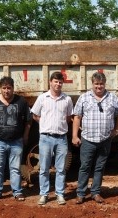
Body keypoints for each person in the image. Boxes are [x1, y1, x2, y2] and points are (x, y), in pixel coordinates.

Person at [72, 71, 118, 204]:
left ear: (105, 84)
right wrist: (74, 135)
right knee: (85, 166)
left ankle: (95, 192)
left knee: (99, 167)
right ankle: (81, 193)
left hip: (105, 139)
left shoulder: (113, 98)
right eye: (96, 84)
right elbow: (77, 116)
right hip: (88, 139)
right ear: (92, 84)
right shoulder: (84, 98)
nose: (99, 87)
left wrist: (117, 130)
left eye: (101, 84)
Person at [0, 76, 32, 201]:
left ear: (13, 88)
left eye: (9, 88)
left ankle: (17, 191)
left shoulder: (21, 102)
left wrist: (25, 135)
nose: (6, 91)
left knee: (15, 167)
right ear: (0, 88)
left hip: (16, 141)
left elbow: (28, 120)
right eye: (4, 88)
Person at [31, 71, 74, 206]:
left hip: (61, 138)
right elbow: (35, 115)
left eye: (60, 82)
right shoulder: (43, 98)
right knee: (44, 168)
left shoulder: (67, 99)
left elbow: (69, 117)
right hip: (45, 138)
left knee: (60, 168)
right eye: (55, 81)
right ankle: (44, 194)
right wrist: (45, 124)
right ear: (50, 82)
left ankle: (60, 194)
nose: (58, 84)